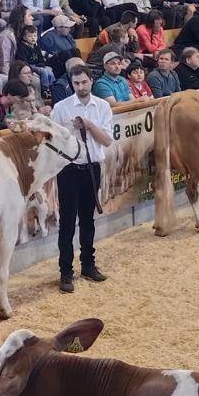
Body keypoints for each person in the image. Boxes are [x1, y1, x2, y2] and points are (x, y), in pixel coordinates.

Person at [49, 66, 114, 292]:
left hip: (92, 167)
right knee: (67, 222)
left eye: (84, 82)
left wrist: (88, 125)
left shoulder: (103, 106)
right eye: (76, 83)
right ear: (72, 84)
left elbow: (106, 140)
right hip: (68, 170)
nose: (81, 87)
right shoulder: (60, 108)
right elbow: (53, 141)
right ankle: (65, 272)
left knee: (88, 220)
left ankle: (88, 265)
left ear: (91, 81)